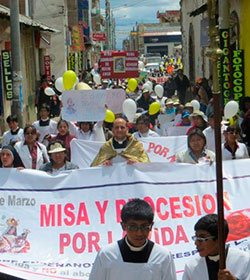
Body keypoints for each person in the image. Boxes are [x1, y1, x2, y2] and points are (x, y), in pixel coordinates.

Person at [89, 199, 177, 280]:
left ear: (151, 226)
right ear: (123, 226)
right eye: (133, 227)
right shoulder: (107, 255)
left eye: (144, 227)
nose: (139, 233)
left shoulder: (163, 256)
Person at [182, 214, 250, 280]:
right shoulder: (192, 267)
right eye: (196, 237)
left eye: (202, 238)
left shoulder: (244, 260)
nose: (196, 243)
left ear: (219, 239)